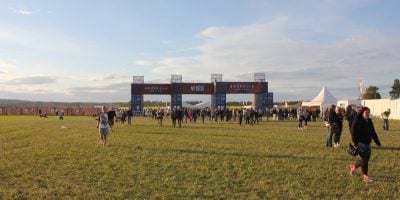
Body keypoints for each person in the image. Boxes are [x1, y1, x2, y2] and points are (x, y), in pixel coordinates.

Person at [350, 107, 381, 183]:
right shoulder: (357, 120)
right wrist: (356, 143)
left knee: (365, 159)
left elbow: (373, 132)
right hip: (360, 143)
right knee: (365, 160)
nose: (368, 114)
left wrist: (377, 142)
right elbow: (353, 132)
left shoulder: (369, 121)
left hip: (368, 143)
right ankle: (365, 177)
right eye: (366, 112)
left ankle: (354, 167)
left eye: (368, 113)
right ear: (362, 112)